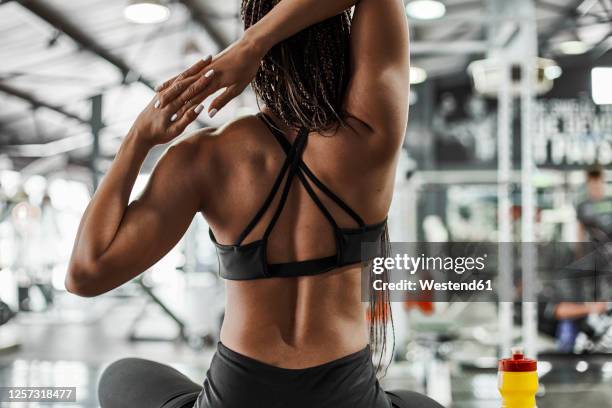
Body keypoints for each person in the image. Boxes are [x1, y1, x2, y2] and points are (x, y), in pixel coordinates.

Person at [67, 0, 443, 407]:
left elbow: (85, 276)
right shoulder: (371, 133)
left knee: (121, 375)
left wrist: (137, 138)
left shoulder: (203, 156)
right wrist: (255, 42)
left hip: (238, 394)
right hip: (348, 395)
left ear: (259, 51)